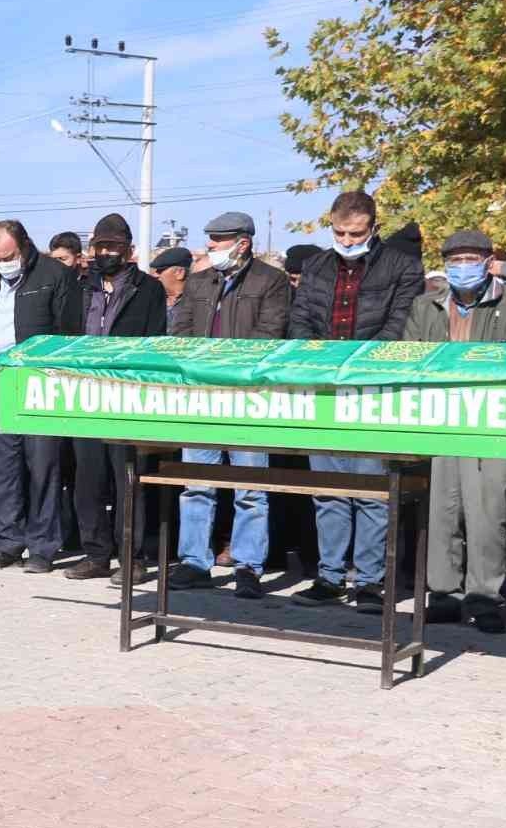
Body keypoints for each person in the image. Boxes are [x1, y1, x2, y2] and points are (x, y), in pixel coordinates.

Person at [289, 190, 425, 610]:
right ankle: (330, 577)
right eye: (339, 233)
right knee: (328, 491)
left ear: (374, 228)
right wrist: (319, 362)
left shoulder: (402, 266)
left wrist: (360, 366)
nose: (346, 241)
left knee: (372, 492)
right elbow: (301, 320)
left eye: (356, 234)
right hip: (324, 388)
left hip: (373, 389)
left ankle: (369, 582)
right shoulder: (316, 266)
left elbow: (399, 324)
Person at [400, 230, 506, 633]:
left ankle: (485, 597)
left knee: (488, 511)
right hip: (441, 419)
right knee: (442, 509)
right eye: (455, 260)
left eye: (470, 259)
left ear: (489, 262)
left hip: (493, 421)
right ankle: (443, 594)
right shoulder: (426, 305)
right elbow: (412, 356)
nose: (462, 267)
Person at [165, 213, 292, 598]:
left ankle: (248, 566)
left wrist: (226, 368)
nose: (211, 247)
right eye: (210, 239)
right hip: (201, 397)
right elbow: (180, 332)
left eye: (218, 241)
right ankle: (194, 562)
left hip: (248, 399)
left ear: (242, 243)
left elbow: (270, 335)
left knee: (251, 489)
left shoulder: (271, 281)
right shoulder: (200, 281)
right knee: (196, 485)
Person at [0, 219, 83, 571]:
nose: (2, 263)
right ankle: (6, 543)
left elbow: (68, 333)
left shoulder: (54, 275)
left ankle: (42, 547)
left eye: (8, 257)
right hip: (1, 379)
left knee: (43, 466)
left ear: (24, 246)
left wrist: (59, 380)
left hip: (40, 381)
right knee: (2, 469)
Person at [67, 213, 168, 581]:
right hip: (84, 393)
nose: (105, 253)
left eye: (113, 247)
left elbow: (155, 342)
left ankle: (132, 559)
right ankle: (95, 554)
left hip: (126, 395)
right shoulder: (80, 287)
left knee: (128, 479)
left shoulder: (148, 289)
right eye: (100, 246)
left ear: (129, 250)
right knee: (88, 479)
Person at [150, 246, 192, 328]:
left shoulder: (197, 301)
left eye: (160, 271)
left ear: (180, 273)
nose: (155, 275)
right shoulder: (152, 299)